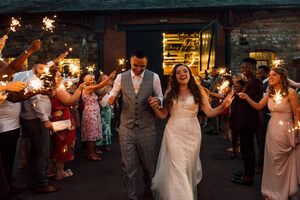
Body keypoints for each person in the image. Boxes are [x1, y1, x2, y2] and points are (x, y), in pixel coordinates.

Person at [149, 63, 234, 199]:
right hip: (173, 132)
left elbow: (210, 112)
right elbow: (163, 115)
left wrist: (224, 105)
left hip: (192, 133)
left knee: (186, 165)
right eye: (178, 72)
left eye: (185, 71)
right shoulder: (170, 92)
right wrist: (154, 107)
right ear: (174, 76)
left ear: (189, 74)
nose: (182, 74)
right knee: (177, 165)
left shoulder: (198, 91)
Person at [238, 67, 300, 200]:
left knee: (281, 160)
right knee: (272, 161)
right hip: (272, 129)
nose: (270, 77)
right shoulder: (270, 93)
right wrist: (247, 97)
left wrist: (296, 134)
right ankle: (272, 190)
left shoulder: (291, 93)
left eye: (274, 75)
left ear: (282, 77)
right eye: (270, 75)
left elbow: (297, 116)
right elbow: (258, 106)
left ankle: (283, 191)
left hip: (285, 129)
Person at [109, 50, 163, 200]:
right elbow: (113, 94)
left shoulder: (154, 77)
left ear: (146, 64)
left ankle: (149, 190)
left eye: (142, 66)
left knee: (148, 164)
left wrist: (157, 101)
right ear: (130, 62)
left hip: (147, 127)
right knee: (128, 166)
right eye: (135, 66)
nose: (139, 69)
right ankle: (130, 196)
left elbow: (160, 96)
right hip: (126, 127)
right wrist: (111, 99)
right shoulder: (121, 77)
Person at [13, 60, 60, 193]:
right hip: (36, 119)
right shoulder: (33, 79)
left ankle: (34, 180)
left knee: (34, 151)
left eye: (44, 69)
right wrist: (45, 119)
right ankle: (41, 183)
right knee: (41, 152)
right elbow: (36, 101)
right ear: (34, 68)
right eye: (40, 68)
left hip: (29, 118)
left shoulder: (24, 74)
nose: (43, 71)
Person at [230, 57, 263, 186]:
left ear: (254, 68)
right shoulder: (246, 81)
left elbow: (252, 101)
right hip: (242, 120)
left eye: (248, 67)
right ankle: (246, 172)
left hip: (249, 121)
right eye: (243, 67)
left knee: (248, 149)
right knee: (245, 149)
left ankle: (248, 177)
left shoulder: (256, 82)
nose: (245, 70)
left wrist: (238, 94)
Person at [48, 67, 86, 179]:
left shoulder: (55, 89)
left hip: (59, 118)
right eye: (58, 76)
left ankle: (53, 169)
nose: (61, 77)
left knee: (58, 144)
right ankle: (60, 172)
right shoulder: (58, 90)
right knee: (63, 144)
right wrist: (79, 89)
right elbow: (70, 101)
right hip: (62, 121)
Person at [81, 72, 115, 161]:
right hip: (90, 113)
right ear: (86, 81)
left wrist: (99, 98)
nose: (92, 81)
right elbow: (99, 86)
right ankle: (91, 154)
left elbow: (99, 93)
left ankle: (92, 152)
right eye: (90, 80)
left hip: (95, 112)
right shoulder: (87, 88)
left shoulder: (91, 90)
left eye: (93, 79)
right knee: (90, 135)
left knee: (93, 133)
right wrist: (109, 77)